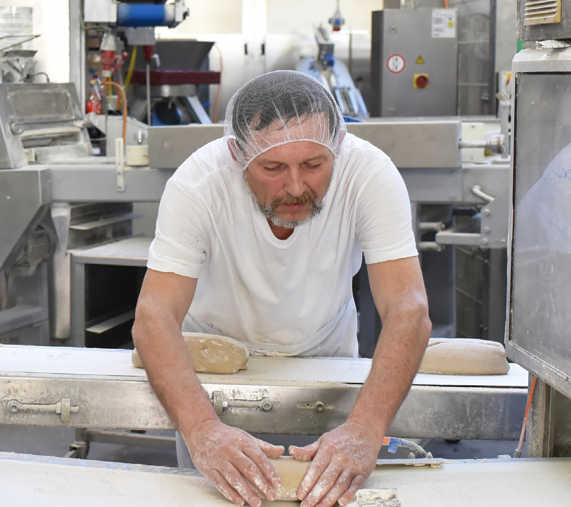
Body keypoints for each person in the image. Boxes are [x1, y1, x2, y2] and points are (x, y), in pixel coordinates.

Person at [131, 70, 431, 507]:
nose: (295, 186)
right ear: (237, 155)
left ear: (339, 145)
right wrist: (203, 430)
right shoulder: (198, 185)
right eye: (272, 168)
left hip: (326, 364)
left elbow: (409, 307)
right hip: (210, 381)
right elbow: (154, 316)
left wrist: (365, 430)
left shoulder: (368, 174)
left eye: (314, 165)